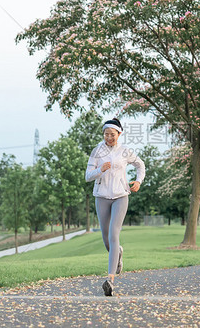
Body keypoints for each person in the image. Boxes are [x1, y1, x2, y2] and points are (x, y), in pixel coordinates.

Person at [85, 118, 145, 296]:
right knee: (106, 239)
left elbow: (140, 165)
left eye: (112, 134)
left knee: (113, 234)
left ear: (119, 134)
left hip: (121, 196)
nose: (109, 137)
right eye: (106, 134)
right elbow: (88, 176)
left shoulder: (125, 152)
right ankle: (118, 253)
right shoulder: (97, 151)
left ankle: (110, 280)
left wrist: (138, 181)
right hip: (101, 196)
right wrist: (100, 170)